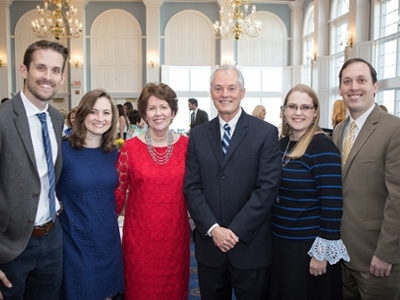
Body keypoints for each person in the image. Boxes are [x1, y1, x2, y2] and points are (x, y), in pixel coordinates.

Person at [183, 65, 281, 299]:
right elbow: (192, 187)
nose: (224, 94)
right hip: (210, 248)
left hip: (251, 247)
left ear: (243, 92)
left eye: (231, 88)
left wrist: (234, 232)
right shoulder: (197, 136)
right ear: (211, 92)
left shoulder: (265, 133)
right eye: (218, 88)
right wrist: (214, 229)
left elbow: (266, 189)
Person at [0, 40, 68, 299]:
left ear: (62, 77)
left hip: (51, 239)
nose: (47, 77)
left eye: (55, 70)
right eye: (41, 68)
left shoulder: (56, 118)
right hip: (9, 246)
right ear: (24, 70)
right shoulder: (3, 119)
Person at [269, 84, 349, 300]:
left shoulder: (322, 147)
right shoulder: (280, 145)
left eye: (305, 107)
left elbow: (332, 204)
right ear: (284, 111)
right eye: (292, 106)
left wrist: (320, 253)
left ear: (315, 113)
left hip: (307, 248)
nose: (298, 112)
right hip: (279, 243)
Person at [332, 58, 400, 299]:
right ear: (340, 89)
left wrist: (387, 253)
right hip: (342, 255)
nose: (354, 87)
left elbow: (397, 199)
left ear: (375, 86)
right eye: (347, 81)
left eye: (361, 80)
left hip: (376, 258)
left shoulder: (394, 130)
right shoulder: (339, 130)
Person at [115, 83, 190, 300]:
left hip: (175, 236)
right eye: (152, 108)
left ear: (173, 112)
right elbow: (118, 193)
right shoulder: (130, 148)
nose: (158, 113)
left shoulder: (187, 146)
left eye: (164, 107)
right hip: (140, 239)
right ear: (145, 114)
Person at [56, 89, 124, 300]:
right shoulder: (62, 152)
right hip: (75, 244)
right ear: (82, 114)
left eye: (106, 113)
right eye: (93, 112)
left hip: (108, 241)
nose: (100, 118)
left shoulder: (114, 153)